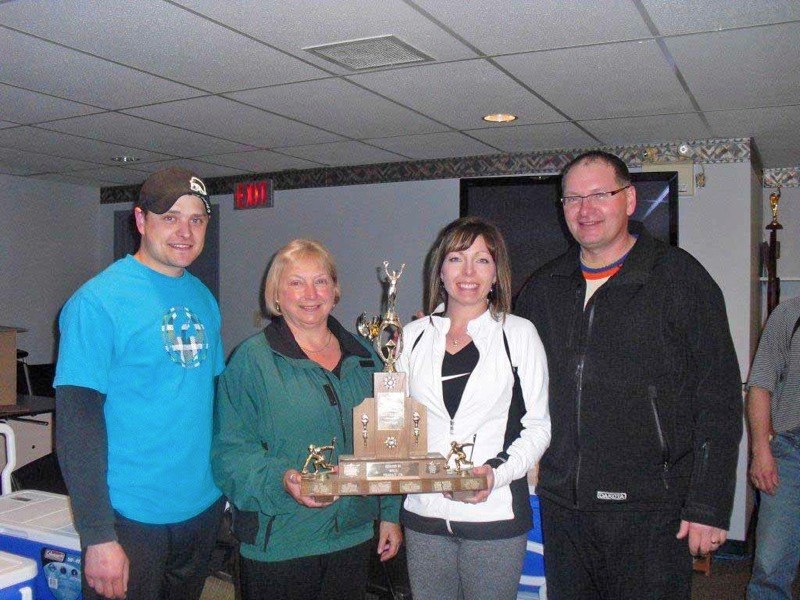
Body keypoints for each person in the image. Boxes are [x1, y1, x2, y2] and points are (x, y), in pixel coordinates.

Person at [515, 150, 743, 599]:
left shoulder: (681, 280)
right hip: (564, 511)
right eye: (573, 198)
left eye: (599, 194)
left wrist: (709, 505)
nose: (585, 209)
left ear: (630, 200)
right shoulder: (543, 289)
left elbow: (718, 398)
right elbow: (517, 388)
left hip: (651, 514)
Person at [54, 167, 225, 600]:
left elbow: (211, 402)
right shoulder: (97, 303)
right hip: (130, 519)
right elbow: (77, 425)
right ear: (140, 220)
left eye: (197, 220)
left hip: (200, 511)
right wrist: (97, 535)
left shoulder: (203, 298)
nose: (185, 231)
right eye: (170, 217)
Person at [212, 239, 402, 600]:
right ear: (276, 295)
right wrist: (283, 481)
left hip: (352, 535)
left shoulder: (367, 358)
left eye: (321, 281)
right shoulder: (252, 361)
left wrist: (389, 512)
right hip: (281, 540)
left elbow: (386, 441)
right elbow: (230, 455)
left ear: (335, 291)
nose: (310, 293)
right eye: (296, 282)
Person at [397, 217, 551, 600]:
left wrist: (492, 477)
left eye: (481, 260)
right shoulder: (410, 337)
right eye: (456, 258)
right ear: (441, 270)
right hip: (424, 512)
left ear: (496, 273)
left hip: (494, 515)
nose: (468, 272)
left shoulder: (519, 333)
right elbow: (397, 423)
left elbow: (538, 427)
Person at [746, 296, 800, 599]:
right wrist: (761, 451)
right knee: (771, 568)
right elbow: (760, 385)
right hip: (790, 454)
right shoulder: (790, 314)